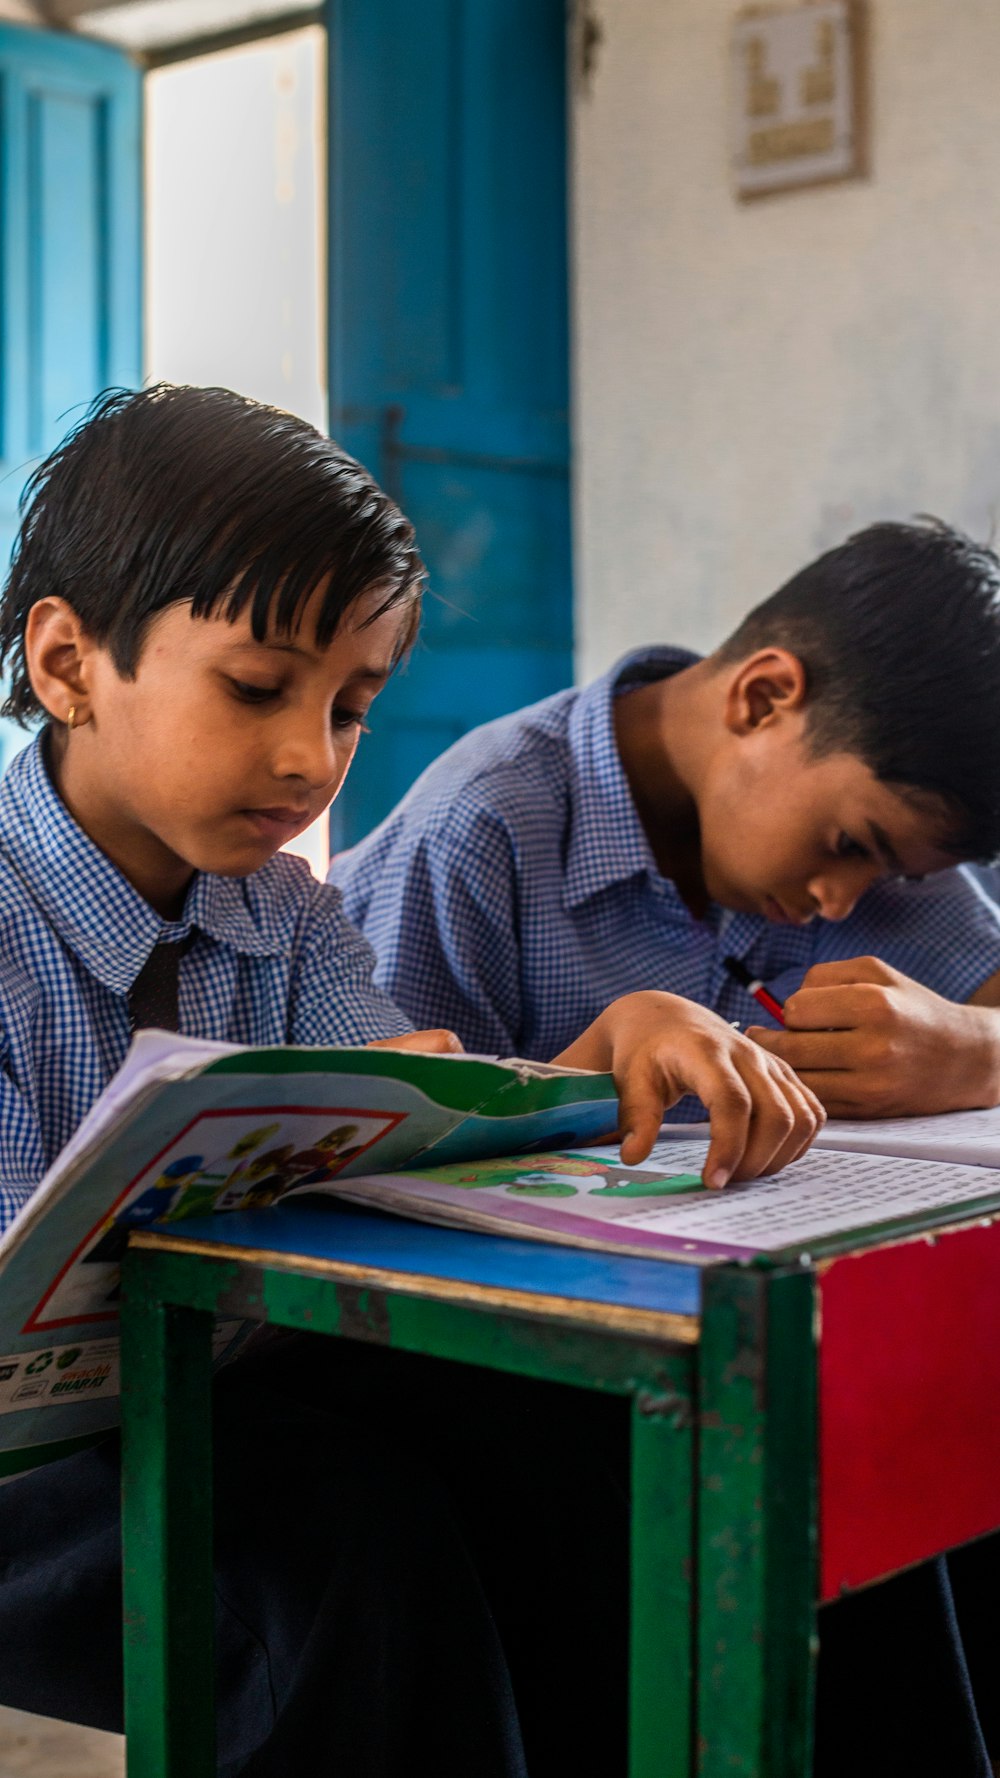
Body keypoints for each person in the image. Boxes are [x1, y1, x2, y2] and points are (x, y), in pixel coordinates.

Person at [0, 383, 824, 1777]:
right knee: (346, 1545)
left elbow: (411, 1110)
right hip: (35, 1474)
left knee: (590, 1452)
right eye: (259, 689)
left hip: (212, 1398)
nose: (308, 757)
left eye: (352, 708)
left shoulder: (284, 910)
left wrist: (588, 1059)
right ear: (72, 661)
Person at [332, 520, 1000, 1121]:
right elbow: (400, 1139)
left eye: (895, 874)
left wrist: (976, 1052)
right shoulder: (481, 828)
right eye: (849, 846)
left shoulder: (892, 831)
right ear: (763, 699)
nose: (840, 900)